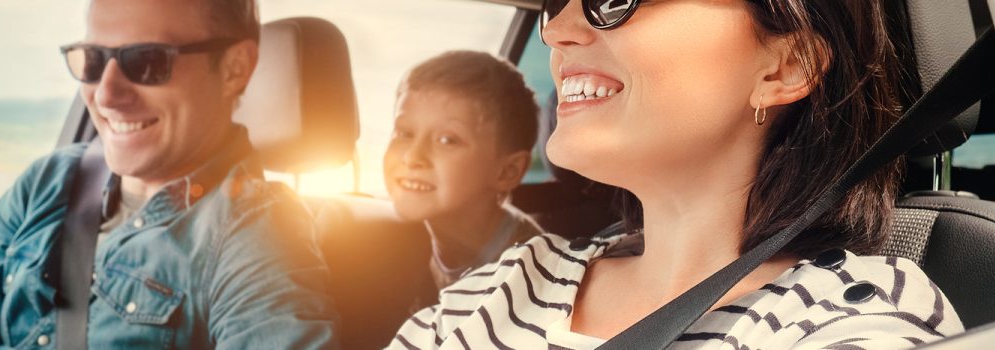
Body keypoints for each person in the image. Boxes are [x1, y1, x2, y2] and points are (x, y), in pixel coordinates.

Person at [389, 0, 963, 349]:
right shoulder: (503, 285)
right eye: (556, 1)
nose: (556, 30)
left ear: (787, 66)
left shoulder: (849, 314)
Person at [0, 0, 341, 349]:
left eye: (147, 61)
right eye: (92, 60)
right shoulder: (51, 179)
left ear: (235, 68)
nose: (105, 94)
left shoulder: (258, 233)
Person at [383, 50, 545, 290]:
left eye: (447, 140)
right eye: (404, 134)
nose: (412, 157)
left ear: (507, 172)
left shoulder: (528, 272)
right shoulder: (410, 242)